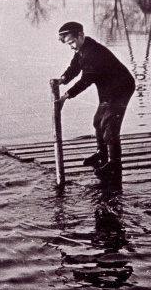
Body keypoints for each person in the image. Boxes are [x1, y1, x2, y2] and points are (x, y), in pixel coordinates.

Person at [55, 22, 135, 182]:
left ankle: (114, 163)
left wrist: (66, 95)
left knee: (109, 124)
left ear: (81, 35)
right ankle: (102, 153)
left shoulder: (94, 52)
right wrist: (63, 78)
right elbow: (75, 66)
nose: (71, 46)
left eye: (72, 42)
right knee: (98, 121)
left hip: (121, 88)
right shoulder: (82, 48)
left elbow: (86, 80)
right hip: (108, 89)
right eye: (68, 44)